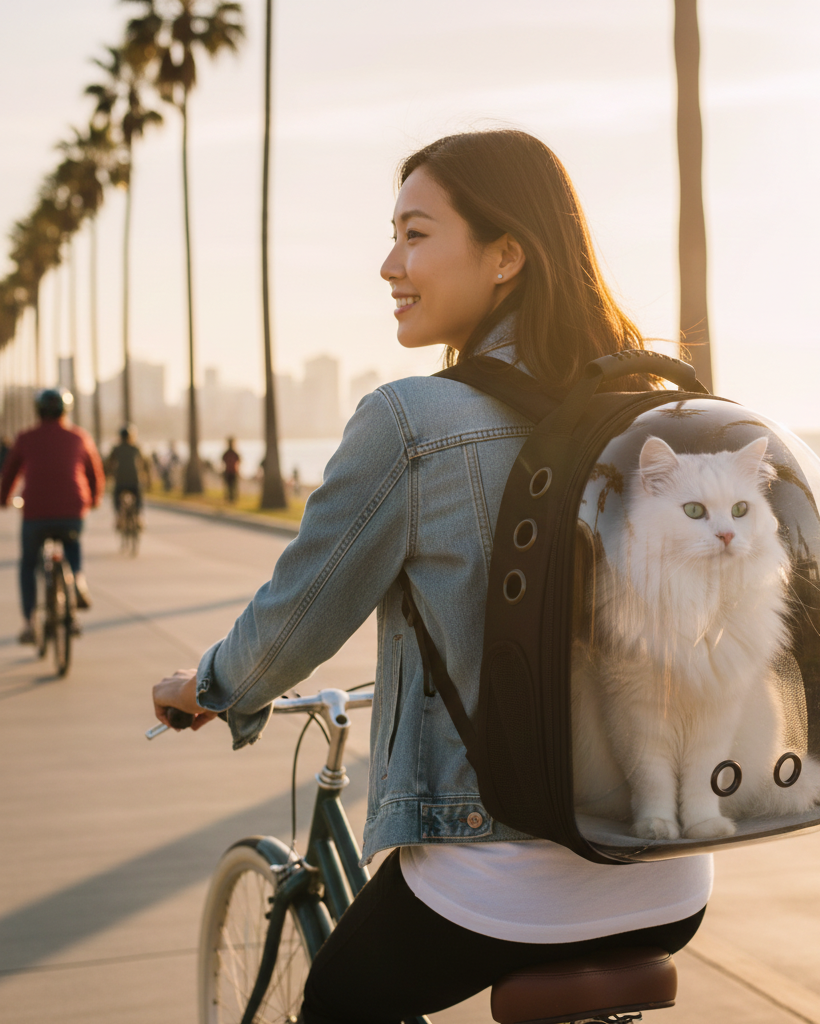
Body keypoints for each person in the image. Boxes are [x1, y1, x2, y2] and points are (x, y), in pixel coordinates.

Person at [152, 131, 711, 1023]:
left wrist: (211, 686)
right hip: (671, 874)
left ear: (506, 256)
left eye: (415, 234)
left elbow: (295, 620)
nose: (388, 264)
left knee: (337, 1001)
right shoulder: (647, 415)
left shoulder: (411, 423)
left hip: (509, 880)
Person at [1, 389, 104, 643]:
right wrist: (94, 500)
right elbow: (94, 474)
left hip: (35, 513)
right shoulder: (79, 437)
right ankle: (77, 581)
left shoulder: (25, 438)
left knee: (28, 564)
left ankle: (29, 623)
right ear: (64, 411)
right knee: (72, 541)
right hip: (72, 511)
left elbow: (9, 474)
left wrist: (3, 499)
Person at [106, 425, 149, 522]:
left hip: (120, 480)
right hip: (135, 480)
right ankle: (138, 515)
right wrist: (147, 478)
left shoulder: (116, 449)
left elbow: (109, 464)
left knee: (116, 496)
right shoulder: (137, 448)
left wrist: (108, 475)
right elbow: (145, 463)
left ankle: (118, 516)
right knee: (138, 496)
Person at [221, 437, 241, 502]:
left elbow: (239, 461)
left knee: (233, 486)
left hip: (233, 471)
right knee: (229, 486)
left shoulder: (234, 453)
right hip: (228, 471)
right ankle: (230, 499)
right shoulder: (227, 453)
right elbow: (223, 461)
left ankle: (233, 499)